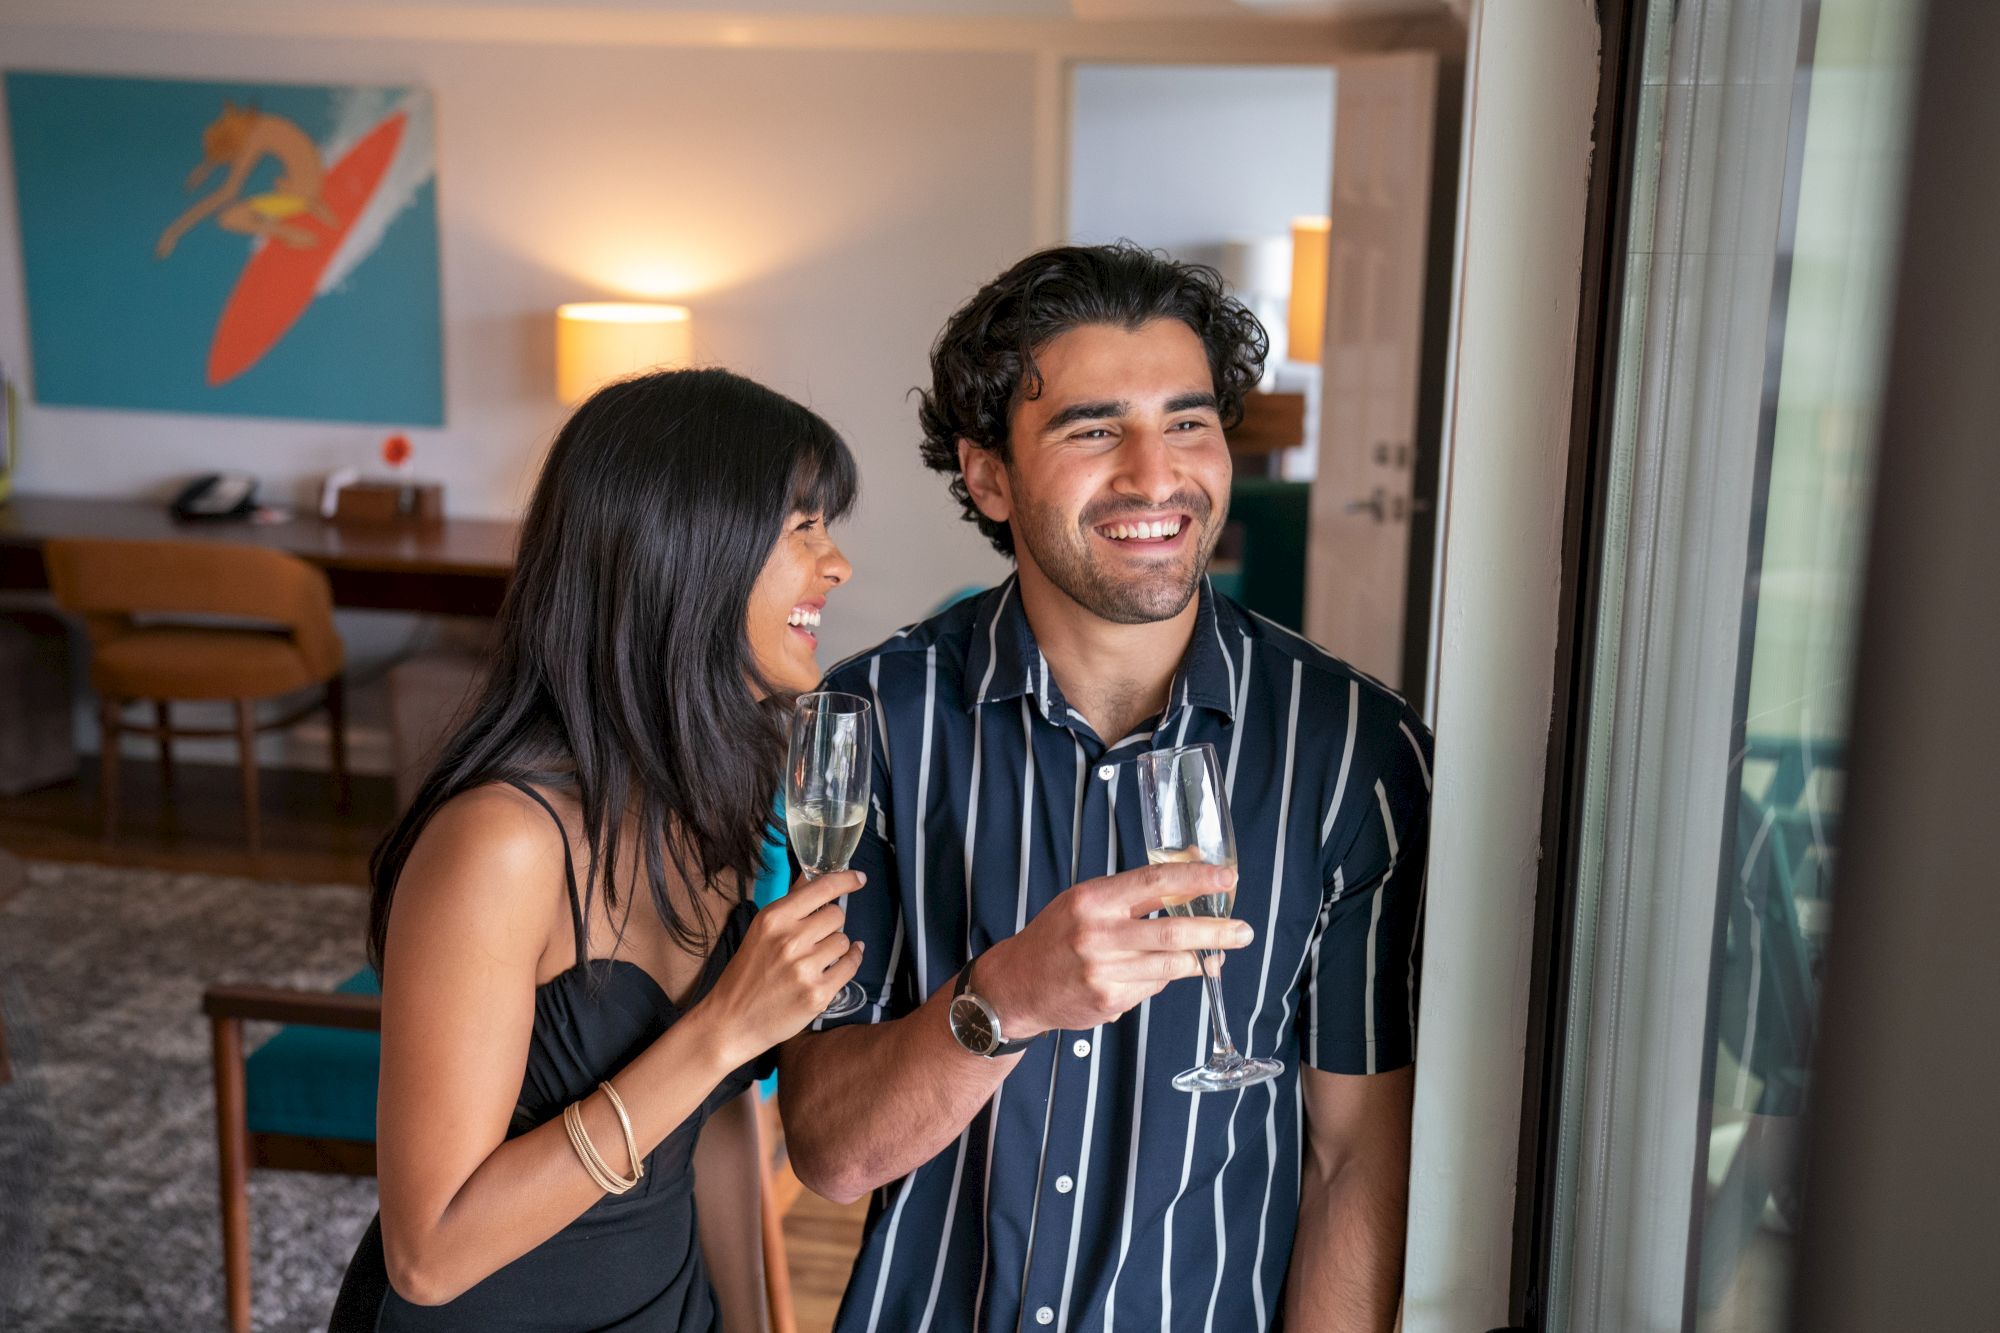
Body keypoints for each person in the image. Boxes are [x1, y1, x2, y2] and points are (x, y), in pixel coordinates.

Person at [778, 243, 1433, 1332]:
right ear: (987, 474)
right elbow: (830, 1151)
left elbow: (1354, 1158)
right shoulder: (870, 726)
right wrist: (1004, 1003)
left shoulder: (1357, 751)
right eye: (1093, 429)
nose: (1153, 473)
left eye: (1187, 422)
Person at [330, 368, 867, 1331]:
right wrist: (720, 1034)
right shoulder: (501, 845)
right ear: (684, 554)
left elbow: (710, 1127)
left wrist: (751, 1323)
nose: (837, 565)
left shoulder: (722, 800)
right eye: (803, 529)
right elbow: (429, 1253)